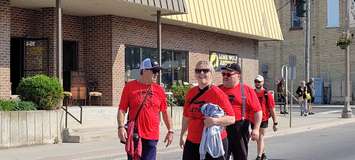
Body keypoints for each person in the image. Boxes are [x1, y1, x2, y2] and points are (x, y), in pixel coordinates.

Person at [117, 58, 174, 160]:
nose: (157, 74)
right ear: (144, 71)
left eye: (158, 71)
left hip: (152, 136)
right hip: (135, 135)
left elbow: (165, 112)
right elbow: (122, 109)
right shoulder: (129, 87)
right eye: (154, 71)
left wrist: (170, 130)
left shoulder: (159, 90)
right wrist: (121, 127)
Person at [179, 60, 235, 160]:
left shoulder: (218, 94)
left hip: (213, 143)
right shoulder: (191, 92)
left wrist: (215, 121)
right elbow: (186, 116)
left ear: (211, 73)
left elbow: (232, 119)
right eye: (198, 71)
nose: (201, 73)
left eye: (205, 70)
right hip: (192, 142)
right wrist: (183, 134)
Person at [218, 63, 262, 160]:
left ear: (238, 75)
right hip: (221, 128)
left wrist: (256, 129)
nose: (225, 76)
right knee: (220, 157)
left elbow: (258, 111)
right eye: (223, 74)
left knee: (240, 157)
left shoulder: (247, 90)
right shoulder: (217, 89)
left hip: (240, 128)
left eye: (228, 74)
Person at [253, 75, 278, 160]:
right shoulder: (252, 93)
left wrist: (275, 123)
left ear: (262, 82)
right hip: (254, 119)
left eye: (259, 82)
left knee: (260, 137)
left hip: (264, 118)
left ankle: (259, 156)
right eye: (256, 81)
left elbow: (272, 109)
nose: (257, 83)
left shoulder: (267, 95)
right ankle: (263, 154)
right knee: (257, 138)